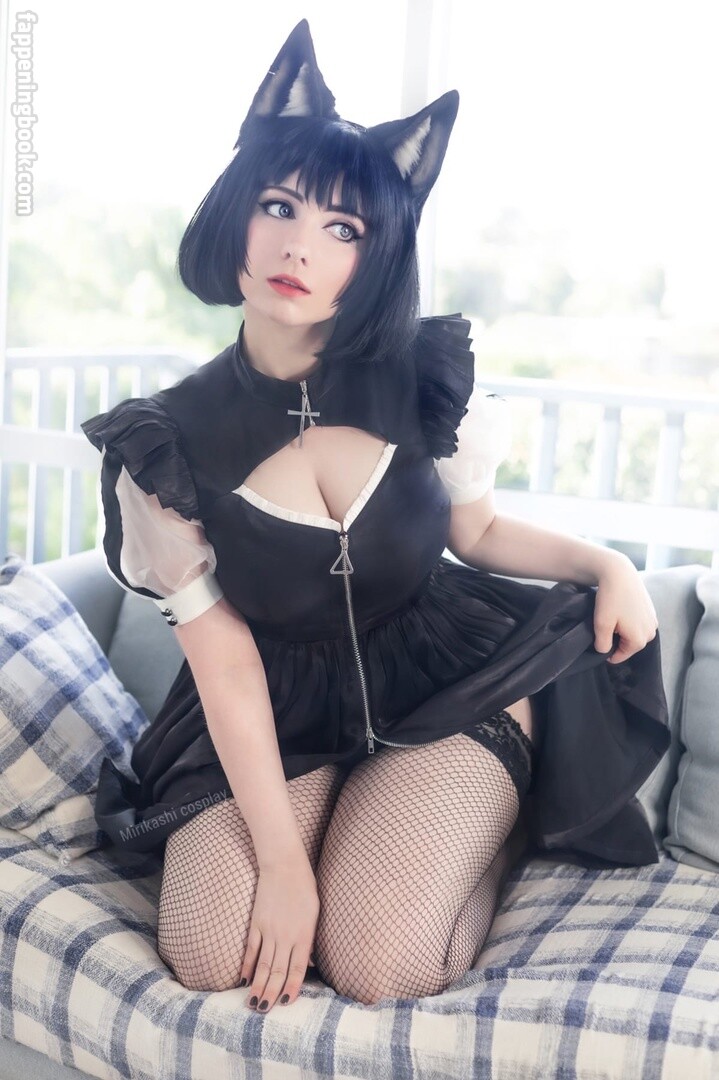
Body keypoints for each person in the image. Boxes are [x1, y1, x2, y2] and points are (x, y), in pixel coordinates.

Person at [82, 20, 669, 1013]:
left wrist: (605, 565)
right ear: (237, 212)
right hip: (275, 705)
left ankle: (484, 840)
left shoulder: (424, 381)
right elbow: (223, 660)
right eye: (277, 206)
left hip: (448, 678)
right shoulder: (165, 444)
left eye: (343, 229)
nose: (297, 246)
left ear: (377, 252)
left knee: (379, 965)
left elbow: (475, 534)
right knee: (207, 950)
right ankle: (341, 834)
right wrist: (285, 865)